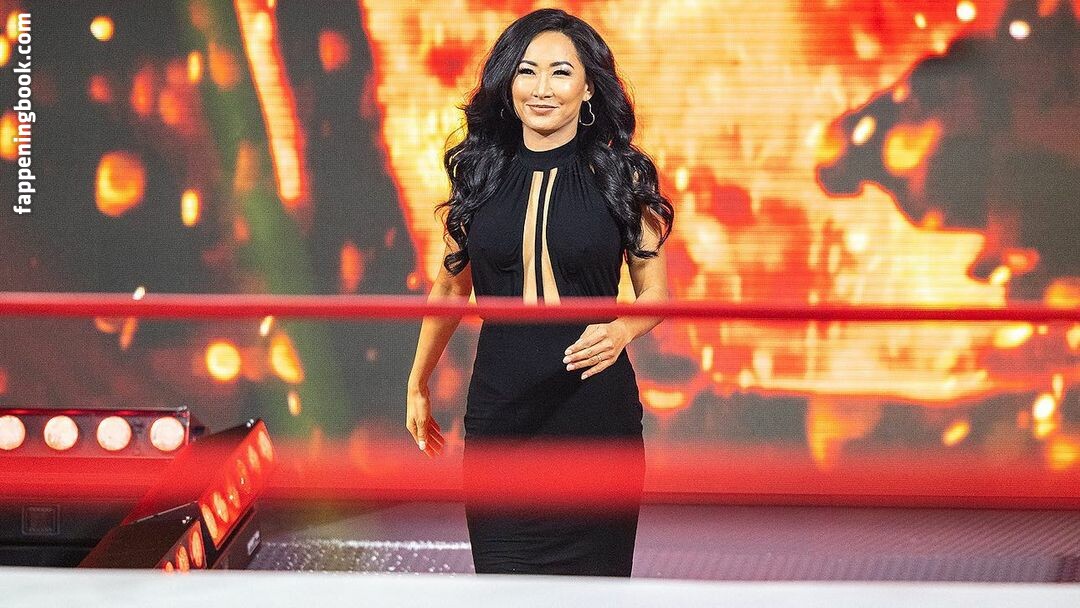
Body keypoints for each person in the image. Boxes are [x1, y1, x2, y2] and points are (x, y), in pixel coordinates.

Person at [405, 8, 673, 576]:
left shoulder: (622, 177)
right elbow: (450, 286)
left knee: (594, 590)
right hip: (502, 414)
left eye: (560, 72)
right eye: (527, 72)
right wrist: (418, 380)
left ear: (589, 87)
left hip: (593, 415)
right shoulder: (480, 174)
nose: (542, 88)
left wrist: (621, 330)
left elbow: (655, 293)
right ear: (508, 85)